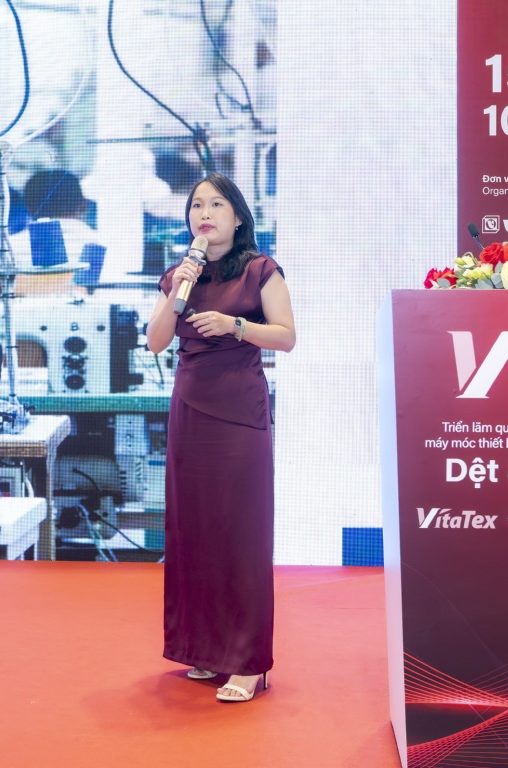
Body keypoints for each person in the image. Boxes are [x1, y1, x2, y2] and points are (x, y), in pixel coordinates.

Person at [146, 172, 296, 703]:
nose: (204, 214)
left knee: (239, 533)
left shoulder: (261, 269)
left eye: (216, 205)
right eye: (196, 205)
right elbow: (155, 342)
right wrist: (177, 289)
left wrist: (236, 326)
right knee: (196, 531)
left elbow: (287, 336)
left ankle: (248, 662)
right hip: (190, 410)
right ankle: (206, 648)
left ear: (237, 216)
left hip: (238, 414)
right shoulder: (178, 275)